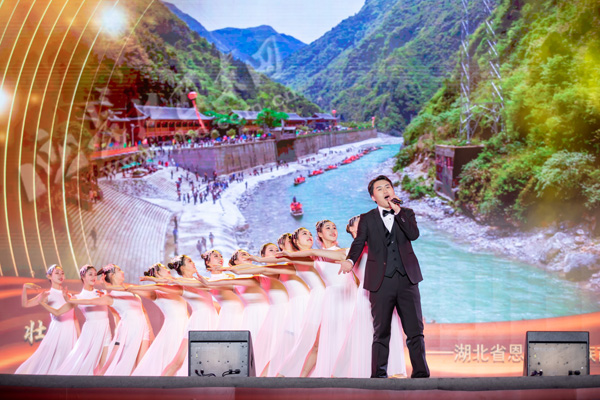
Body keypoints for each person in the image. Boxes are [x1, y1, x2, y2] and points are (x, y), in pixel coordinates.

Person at [339, 175, 430, 378]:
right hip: (380, 282)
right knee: (381, 332)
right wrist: (350, 261)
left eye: (387, 186)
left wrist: (398, 212)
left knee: (415, 330)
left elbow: (413, 235)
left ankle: (421, 375)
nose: (385, 190)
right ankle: (378, 377)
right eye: (379, 188)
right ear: (373, 197)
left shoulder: (406, 213)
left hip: (407, 280)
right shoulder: (367, 218)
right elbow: (358, 243)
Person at [15, 265, 78, 375]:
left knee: (69, 363)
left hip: (71, 332)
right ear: (49, 276)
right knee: (53, 361)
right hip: (57, 332)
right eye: (57, 273)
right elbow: (26, 304)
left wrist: (79, 335)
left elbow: (74, 317)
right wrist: (25, 288)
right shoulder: (48, 294)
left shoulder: (68, 295)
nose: (60, 275)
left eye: (62, 273)